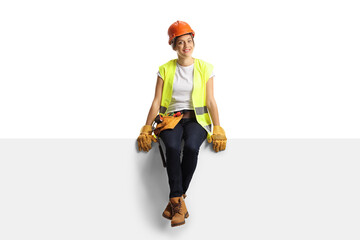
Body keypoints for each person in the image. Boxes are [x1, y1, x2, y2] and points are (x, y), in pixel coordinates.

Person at [137, 20, 227, 227]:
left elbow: (211, 100)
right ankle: (179, 202)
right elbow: (156, 102)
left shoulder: (206, 68)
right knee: (172, 147)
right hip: (171, 119)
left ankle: (175, 202)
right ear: (173, 46)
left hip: (197, 120)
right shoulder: (165, 69)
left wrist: (218, 127)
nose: (186, 46)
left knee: (192, 148)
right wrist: (146, 127)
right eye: (180, 43)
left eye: (189, 41)